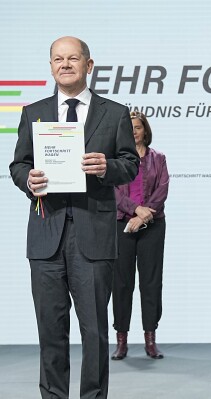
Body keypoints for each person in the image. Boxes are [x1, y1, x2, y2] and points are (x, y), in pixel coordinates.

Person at [9, 36, 139, 399]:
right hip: (46, 236)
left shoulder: (113, 113)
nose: (65, 64)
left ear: (89, 64)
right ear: (51, 65)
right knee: (50, 332)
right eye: (57, 59)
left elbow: (130, 165)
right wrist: (27, 179)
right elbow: (19, 164)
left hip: (94, 234)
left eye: (72, 58)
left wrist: (106, 166)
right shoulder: (33, 112)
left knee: (95, 332)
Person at [111, 111, 169, 361]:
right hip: (121, 225)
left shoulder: (159, 158)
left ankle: (150, 339)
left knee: (151, 283)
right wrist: (134, 210)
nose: (134, 131)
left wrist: (143, 216)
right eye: (129, 127)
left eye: (138, 127)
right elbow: (111, 190)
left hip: (152, 226)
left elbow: (162, 189)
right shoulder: (115, 160)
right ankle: (121, 341)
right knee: (121, 284)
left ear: (145, 130)